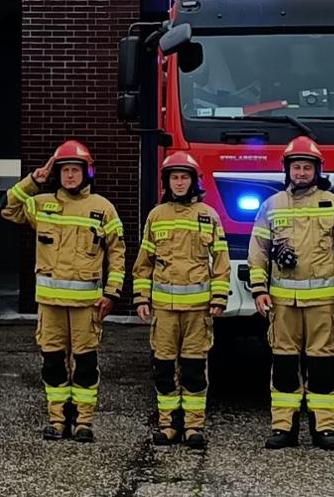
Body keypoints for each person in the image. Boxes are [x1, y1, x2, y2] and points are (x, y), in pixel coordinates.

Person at [2, 140, 126, 442]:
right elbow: (7, 208)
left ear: (87, 173)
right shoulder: (42, 204)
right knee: (54, 363)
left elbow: (118, 252)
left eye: (75, 170)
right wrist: (34, 180)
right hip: (50, 305)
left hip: (87, 307)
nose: (70, 176)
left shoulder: (102, 209)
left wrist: (111, 293)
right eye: (65, 170)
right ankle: (57, 420)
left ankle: (84, 422)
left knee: (85, 364)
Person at [247, 136, 334, 450]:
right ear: (287, 170)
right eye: (296, 167)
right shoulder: (272, 205)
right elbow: (258, 251)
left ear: (316, 170)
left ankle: (324, 428)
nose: (301, 173)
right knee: (283, 364)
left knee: (323, 365)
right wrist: (259, 290)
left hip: (323, 301)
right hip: (283, 302)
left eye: (306, 167)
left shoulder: (332, 203)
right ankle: (283, 427)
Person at [131, 151, 229, 449]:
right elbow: (144, 261)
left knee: (194, 368)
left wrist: (219, 296)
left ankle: (193, 426)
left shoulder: (208, 215)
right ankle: (168, 424)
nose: (179, 182)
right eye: (174, 177)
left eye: (184, 177)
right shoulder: (156, 216)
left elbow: (221, 259)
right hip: (163, 311)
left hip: (198, 311)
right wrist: (141, 297)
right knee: (163, 367)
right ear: (166, 181)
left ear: (194, 181)